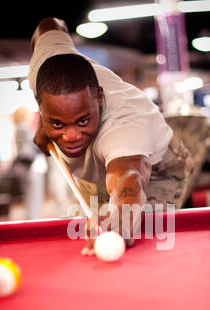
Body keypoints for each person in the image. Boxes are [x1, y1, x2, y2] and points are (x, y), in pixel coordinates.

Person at [29, 17, 194, 254]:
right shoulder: (45, 64)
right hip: (99, 163)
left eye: (82, 121)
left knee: (145, 237)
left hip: (159, 166)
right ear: (40, 103)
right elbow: (49, 24)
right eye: (58, 123)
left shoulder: (123, 126)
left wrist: (121, 220)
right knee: (93, 221)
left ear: (99, 97)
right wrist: (43, 125)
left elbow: (130, 177)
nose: (71, 136)